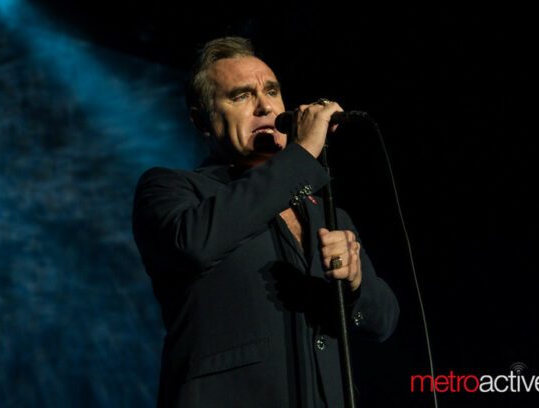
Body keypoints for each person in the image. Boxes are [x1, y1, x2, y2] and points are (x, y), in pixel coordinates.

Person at [132, 37, 399, 408]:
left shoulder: (328, 212)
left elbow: (383, 322)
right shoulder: (173, 188)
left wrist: (356, 283)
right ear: (201, 120)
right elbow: (192, 245)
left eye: (272, 91)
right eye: (241, 95)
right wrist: (301, 155)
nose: (265, 106)